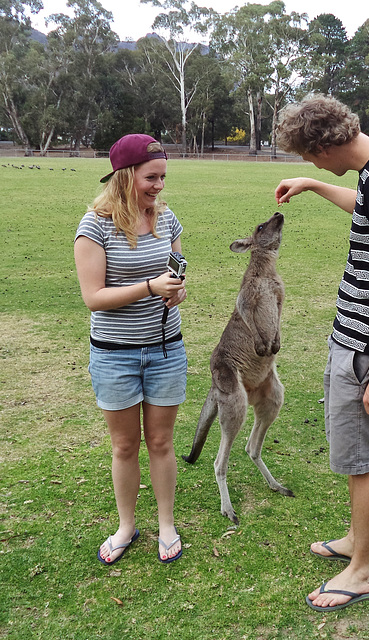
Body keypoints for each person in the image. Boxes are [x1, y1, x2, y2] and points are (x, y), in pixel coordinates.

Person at [275, 95, 369, 612]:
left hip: (366, 350)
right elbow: (366, 210)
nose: (311, 165)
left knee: (362, 462)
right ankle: (355, 542)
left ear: (324, 143)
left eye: (310, 159)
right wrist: (317, 186)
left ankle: (361, 571)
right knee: (355, 457)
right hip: (357, 341)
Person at [74, 134, 188, 565]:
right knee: (125, 447)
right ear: (125, 177)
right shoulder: (95, 225)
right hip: (114, 354)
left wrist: (175, 291)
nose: (159, 186)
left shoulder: (167, 219)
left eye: (163, 177)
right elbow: (94, 297)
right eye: (151, 177)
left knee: (161, 442)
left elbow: (175, 271)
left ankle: (166, 524)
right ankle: (126, 525)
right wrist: (148, 288)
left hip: (164, 350)